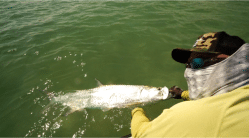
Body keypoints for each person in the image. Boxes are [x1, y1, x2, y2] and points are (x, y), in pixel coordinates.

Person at [131, 31, 249, 138]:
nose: (188, 72)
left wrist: (136, 110)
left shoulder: (183, 115)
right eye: (187, 65)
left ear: (231, 61)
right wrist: (182, 94)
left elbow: (141, 133)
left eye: (196, 63)